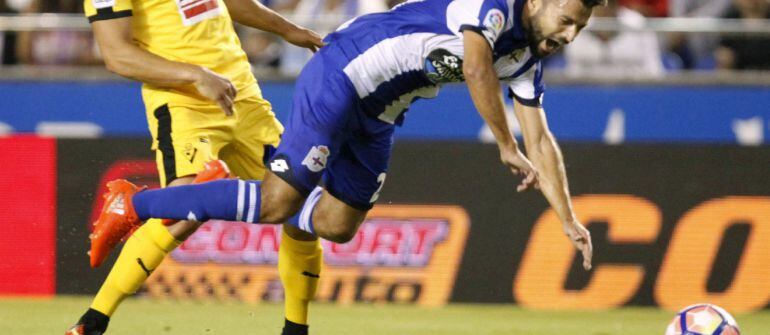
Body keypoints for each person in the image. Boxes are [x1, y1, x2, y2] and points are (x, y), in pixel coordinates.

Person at [91, 0, 598, 330]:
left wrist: (567, 217)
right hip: (342, 75)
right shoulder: (493, 9)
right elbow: (474, 67)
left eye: (579, 26)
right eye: (567, 19)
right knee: (277, 203)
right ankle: (134, 202)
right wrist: (506, 145)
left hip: (380, 111)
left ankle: (202, 201)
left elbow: (542, 138)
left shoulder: (526, 58)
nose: (570, 35)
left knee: (336, 224)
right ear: (539, 2)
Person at [65, 0, 324, 334]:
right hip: (183, 101)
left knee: (301, 202)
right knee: (186, 206)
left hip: (242, 95)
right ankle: (93, 321)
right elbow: (117, 55)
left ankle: (296, 327)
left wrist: (291, 30)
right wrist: (194, 74)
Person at [565, 0, 664, 77]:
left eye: (608, 5)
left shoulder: (638, 25)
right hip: (589, 93)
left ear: (616, 5)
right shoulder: (578, 26)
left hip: (633, 93)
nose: (604, 10)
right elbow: (572, 71)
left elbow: (654, 70)